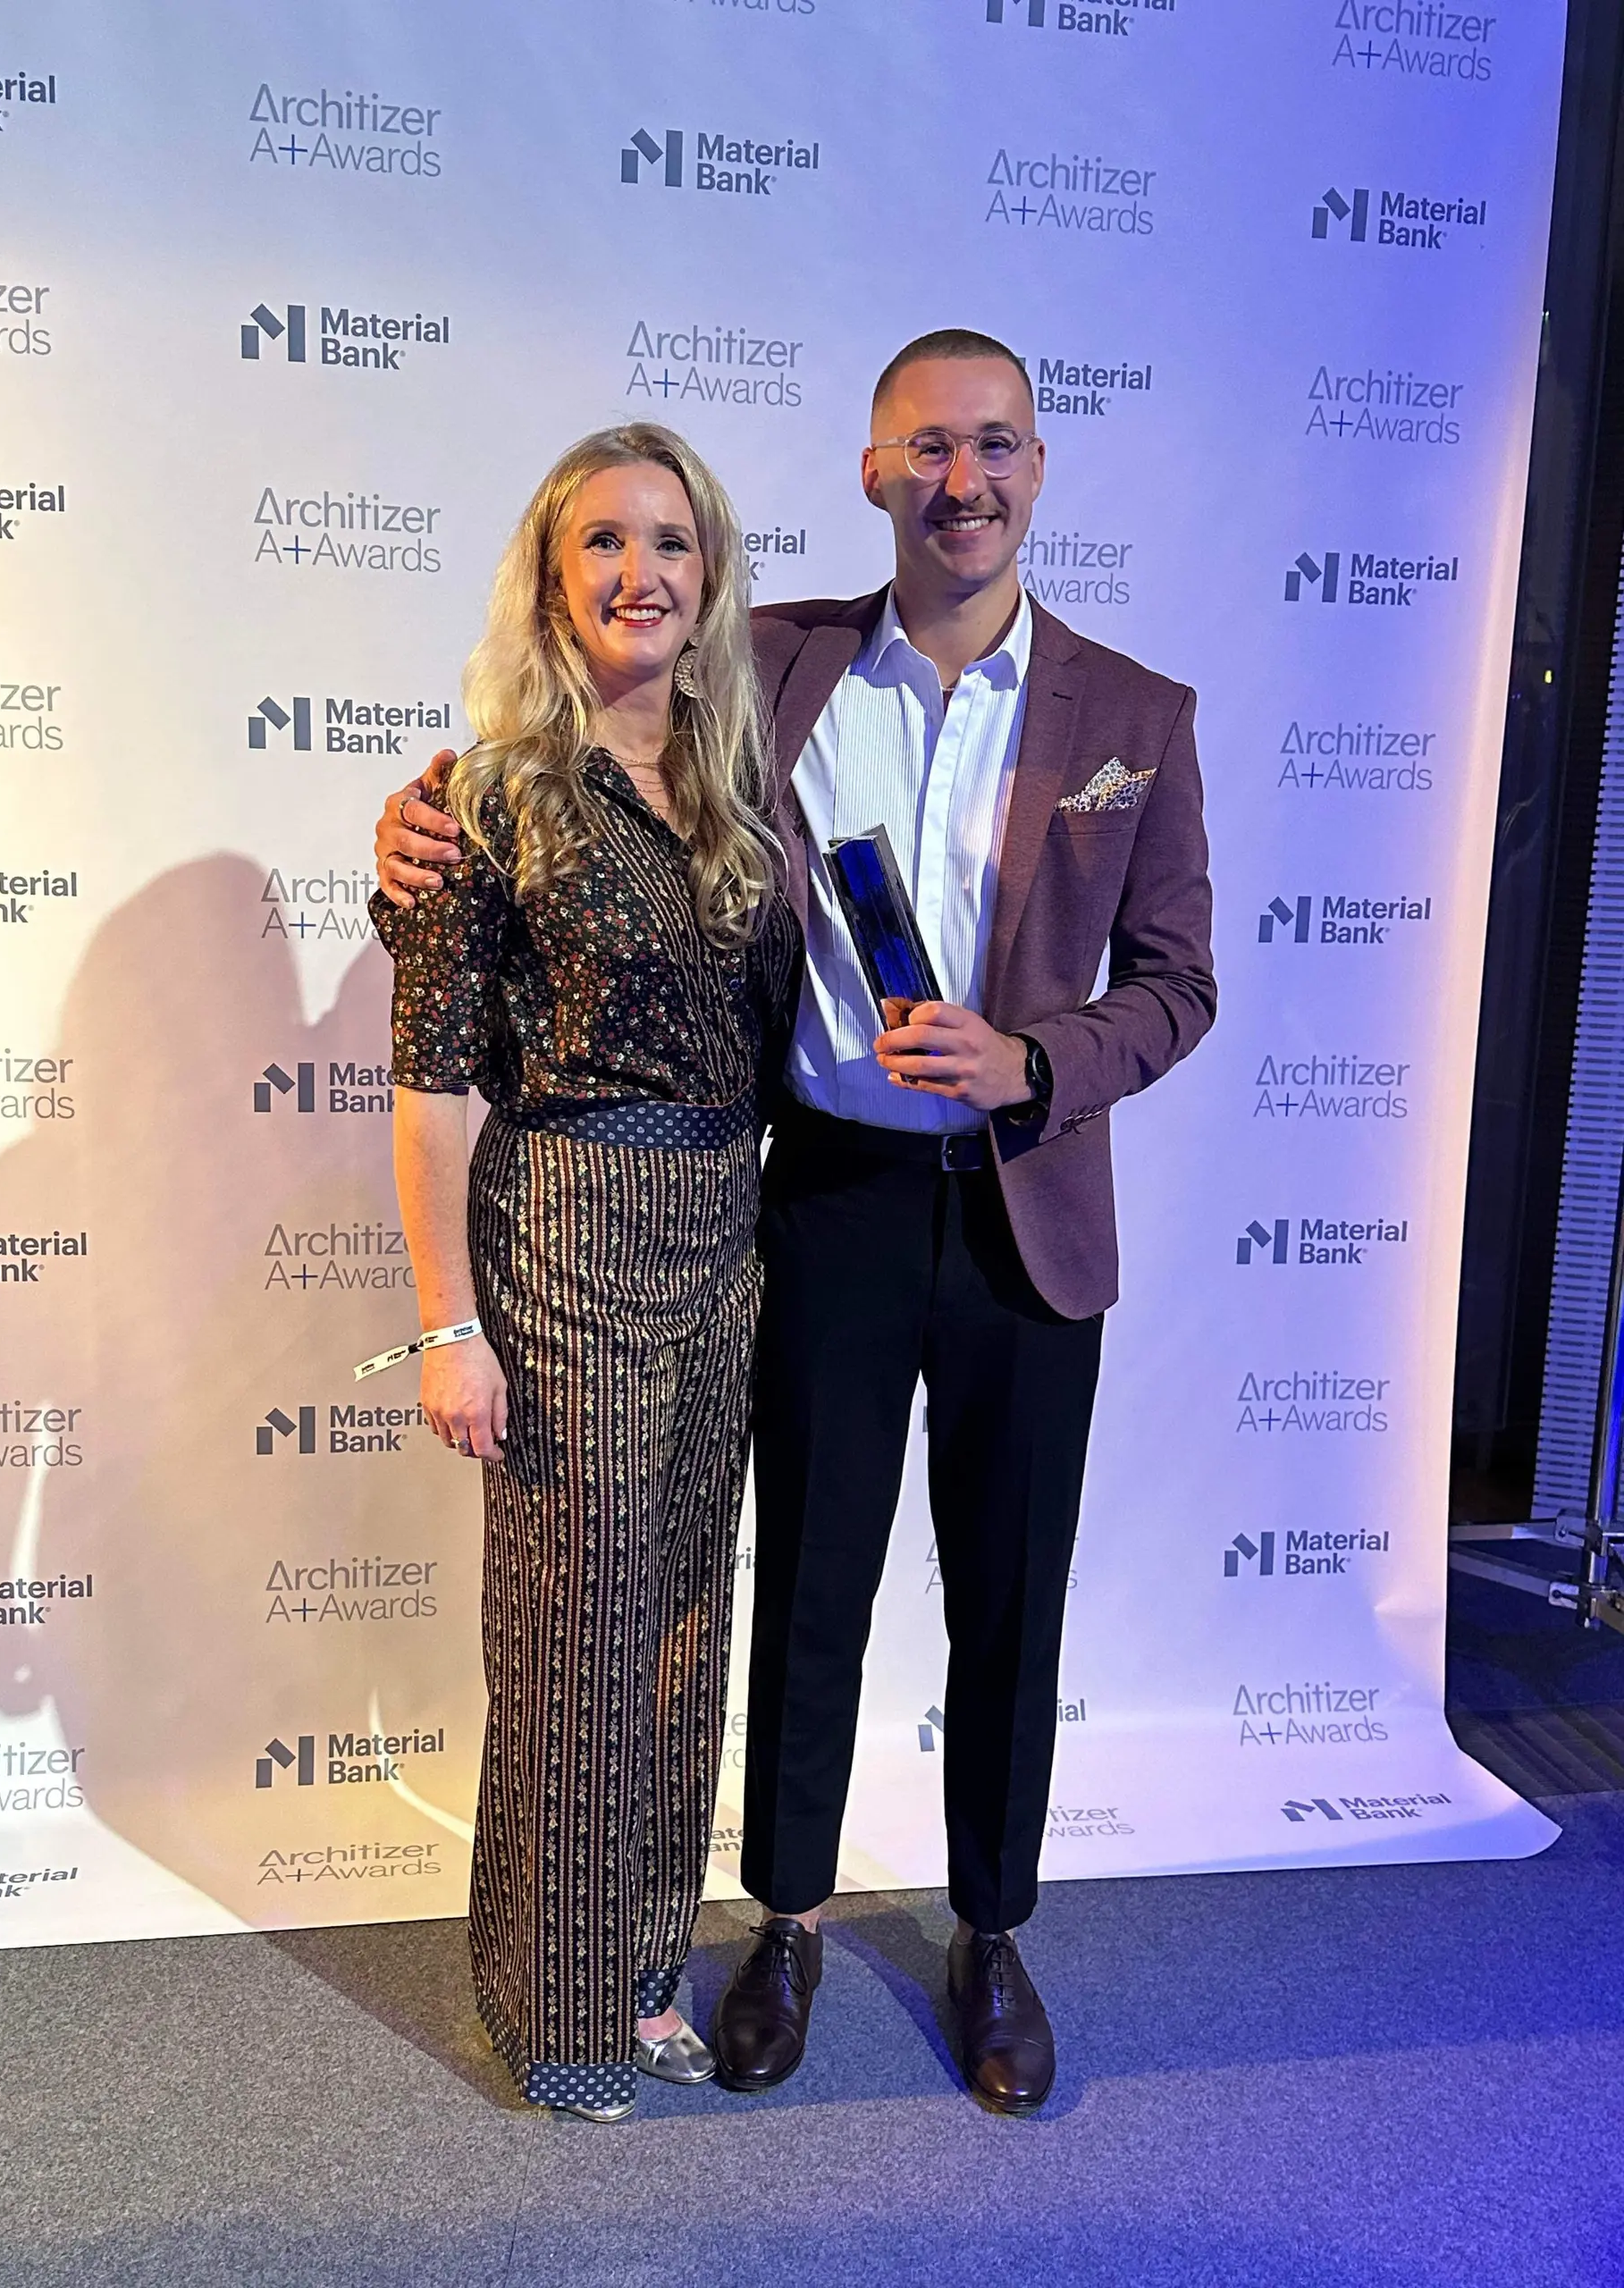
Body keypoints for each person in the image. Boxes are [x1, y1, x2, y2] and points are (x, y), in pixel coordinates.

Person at [375, 330, 1216, 2116]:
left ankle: (992, 1933)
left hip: (1024, 1217)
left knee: (1009, 1600)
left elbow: (1178, 986)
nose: (963, 478)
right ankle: (787, 1921)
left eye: (997, 445)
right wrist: (412, 826)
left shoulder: (1136, 720)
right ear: (872, 471)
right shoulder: (772, 660)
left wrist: (1035, 1056)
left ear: (1040, 469)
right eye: (929, 446)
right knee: (799, 1592)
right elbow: (562, 743)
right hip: (816, 1204)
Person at [373, 422, 799, 2122]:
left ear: (712, 579)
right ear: (553, 586)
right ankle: (548, 2006)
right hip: (561, 1244)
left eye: (673, 544)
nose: (643, 574)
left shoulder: (734, 793)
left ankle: (639, 1972)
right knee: (573, 1644)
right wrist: (447, 1327)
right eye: (604, 545)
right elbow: (428, 1090)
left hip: (727, 1252)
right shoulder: (486, 797)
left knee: (686, 1635)